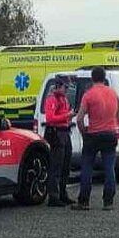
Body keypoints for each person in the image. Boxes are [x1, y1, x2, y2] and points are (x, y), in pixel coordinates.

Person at [72, 67, 119, 211]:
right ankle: (108, 201)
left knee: (87, 167)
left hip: (93, 134)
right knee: (109, 168)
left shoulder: (88, 95)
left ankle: (84, 201)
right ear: (104, 78)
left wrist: (84, 134)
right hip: (110, 134)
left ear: (92, 78)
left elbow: (79, 119)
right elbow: (118, 117)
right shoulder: (114, 94)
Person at [43, 76, 74, 207]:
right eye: (65, 87)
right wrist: (67, 116)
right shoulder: (52, 99)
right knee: (56, 166)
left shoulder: (64, 98)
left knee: (65, 165)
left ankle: (62, 193)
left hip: (65, 132)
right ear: (58, 85)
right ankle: (53, 196)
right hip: (56, 133)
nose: (67, 90)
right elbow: (50, 118)